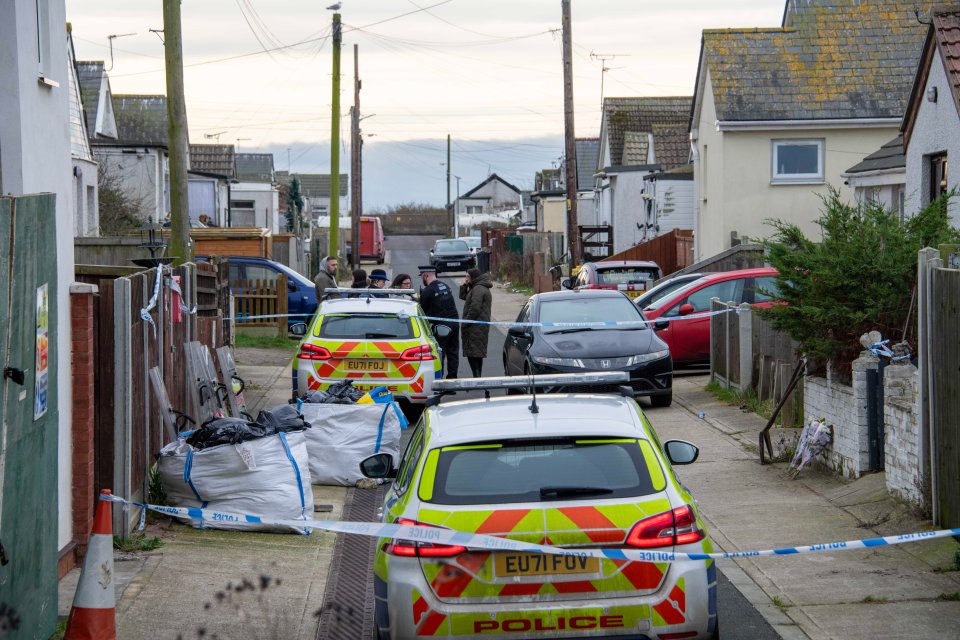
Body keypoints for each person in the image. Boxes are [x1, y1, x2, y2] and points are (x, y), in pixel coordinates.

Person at [418, 265, 460, 379]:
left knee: (440, 353)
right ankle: (452, 380)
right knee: (453, 353)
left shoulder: (428, 291)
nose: (422, 279)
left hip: (442, 327)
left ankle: (439, 381)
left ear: (426, 275)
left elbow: (422, 313)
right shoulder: (445, 286)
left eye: (422, 276)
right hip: (455, 323)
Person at [459, 268, 493, 377]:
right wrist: (465, 285)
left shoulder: (478, 289)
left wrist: (466, 322)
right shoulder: (477, 287)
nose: (466, 278)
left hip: (474, 326)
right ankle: (478, 377)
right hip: (479, 325)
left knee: (472, 352)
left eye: (467, 277)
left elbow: (475, 308)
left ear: (473, 277)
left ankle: (476, 377)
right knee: (476, 352)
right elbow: (464, 297)